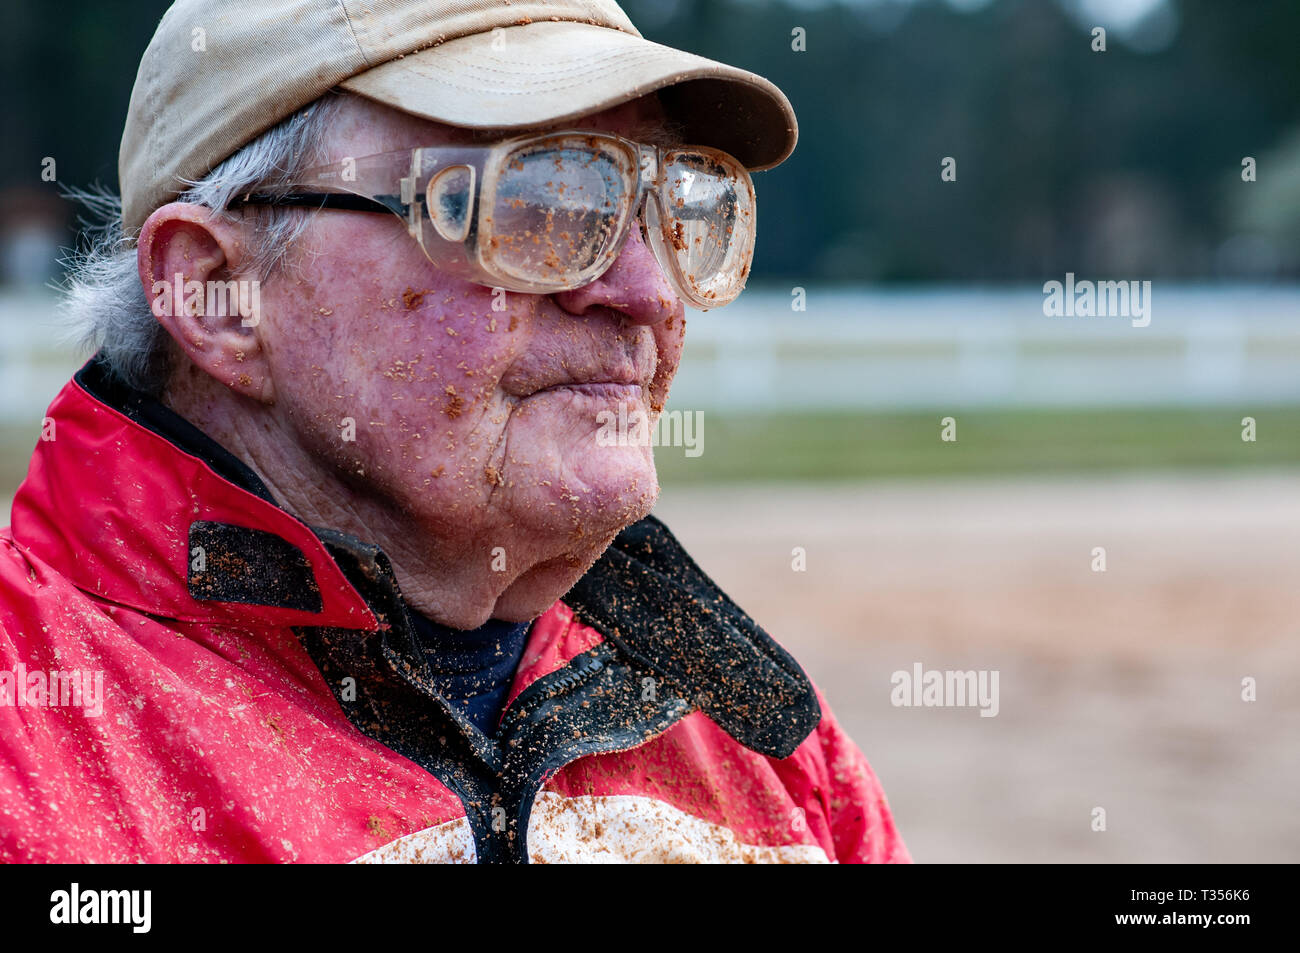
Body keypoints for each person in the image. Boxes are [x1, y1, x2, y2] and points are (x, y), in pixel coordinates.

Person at [0, 0, 909, 863]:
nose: (649, 294)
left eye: (673, 205)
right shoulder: (28, 743)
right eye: (535, 204)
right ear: (217, 296)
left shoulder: (762, 737)